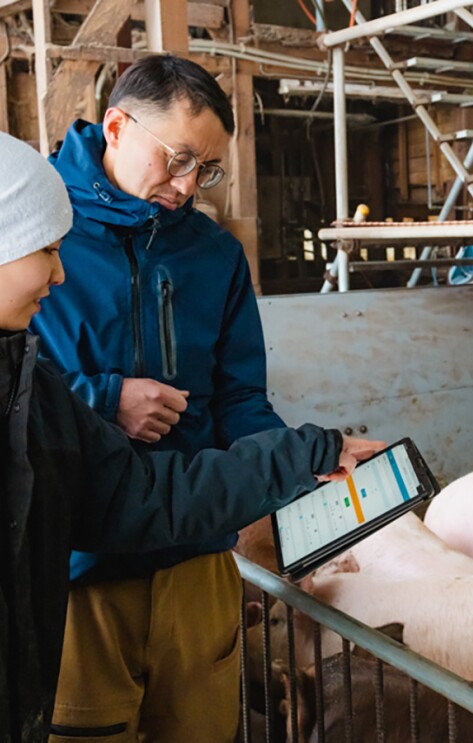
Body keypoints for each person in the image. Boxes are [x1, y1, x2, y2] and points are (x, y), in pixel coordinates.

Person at [0, 121, 382, 742]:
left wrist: (308, 453)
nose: (60, 275)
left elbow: (138, 496)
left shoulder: (14, 380)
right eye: (46, 250)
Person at [30, 55, 289, 741]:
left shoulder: (215, 255)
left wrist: (297, 464)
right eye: (177, 159)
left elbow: (240, 398)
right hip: (79, 563)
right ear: (116, 126)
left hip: (198, 559)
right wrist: (102, 398)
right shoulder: (33, 230)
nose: (186, 187)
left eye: (206, 171)